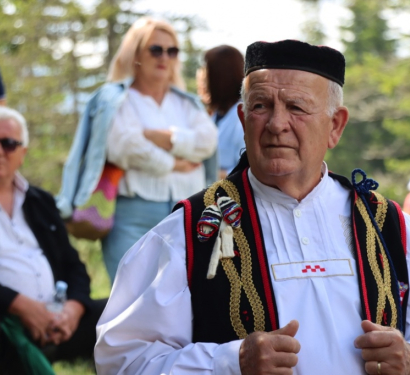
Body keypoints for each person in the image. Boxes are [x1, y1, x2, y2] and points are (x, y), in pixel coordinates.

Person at [95, 40, 410, 374]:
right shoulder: (186, 234)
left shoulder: (393, 228)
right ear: (244, 120)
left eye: (297, 107)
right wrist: (231, 362)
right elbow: (123, 361)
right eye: (261, 106)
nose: (277, 123)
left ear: (335, 127)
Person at [57, 17, 218, 283]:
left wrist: (160, 137)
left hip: (188, 217)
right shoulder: (116, 99)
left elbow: (207, 142)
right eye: (156, 49)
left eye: (172, 50)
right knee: (132, 306)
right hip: (131, 216)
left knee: (184, 304)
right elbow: (124, 147)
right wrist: (174, 163)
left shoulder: (187, 103)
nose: (164, 57)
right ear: (136, 54)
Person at [0, 107, 106, 374]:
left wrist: (74, 308)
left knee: (124, 317)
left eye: (8, 143)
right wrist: (17, 304)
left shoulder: (40, 202)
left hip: (59, 319)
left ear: (22, 153)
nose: (0, 150)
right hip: (7, 322)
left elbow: (74, 266)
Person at [197, 45, 246, 180]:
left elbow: (246, 171)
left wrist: (201, 173)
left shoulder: (241, 118)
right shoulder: (216, 115)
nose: (201, 76)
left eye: (205, 70)